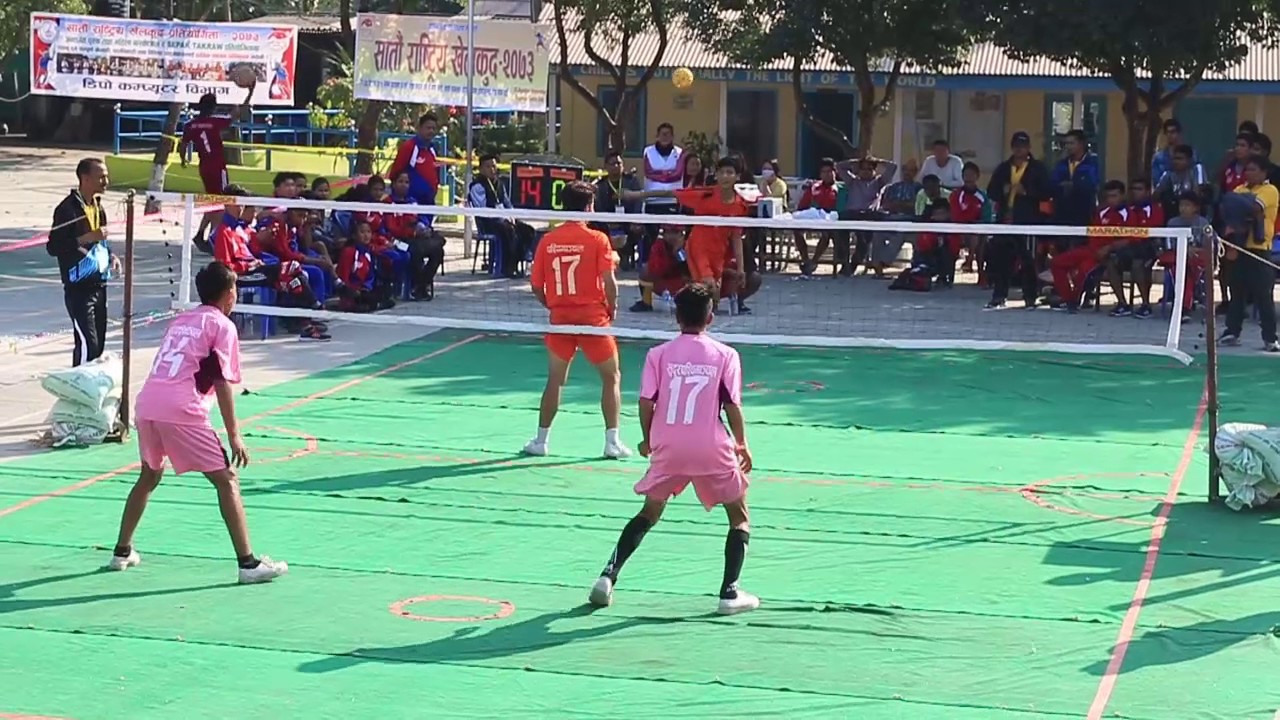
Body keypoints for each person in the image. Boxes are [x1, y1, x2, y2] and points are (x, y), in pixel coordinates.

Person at [108, 261, 288, 584]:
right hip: (181, 408)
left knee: (149, 475)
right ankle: (248, 564)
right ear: (228, 294)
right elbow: (222, 383)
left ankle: (121, 552)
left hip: (147, 402)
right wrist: (235, 435)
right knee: (227, 480)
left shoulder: (181, 320)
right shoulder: (222, 326)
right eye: (234, 290)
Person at [587, 283, 757, 615]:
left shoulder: (658, 355)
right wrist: (742, 443)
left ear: (676, 317)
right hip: (711, 445)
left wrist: (648, 438)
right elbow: (732, 406)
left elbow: (646, 402)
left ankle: (608, 575)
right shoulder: (726, 355)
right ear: (711, 317)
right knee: (739, 517)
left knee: (649, 512)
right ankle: (729, 593)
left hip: (669, 443)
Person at [524, 180, 630, 459]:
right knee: (611, 378)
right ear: (590, 206)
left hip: (561, 319)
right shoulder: (597, 239)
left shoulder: (548, 240)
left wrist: (553, 305)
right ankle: (612, 442)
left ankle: (541, 440)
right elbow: (610, 282)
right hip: (593, 319)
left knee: (555, 381)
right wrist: (613, 308)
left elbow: (536, 286)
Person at [47, 158, 121, 366]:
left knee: (98, 347)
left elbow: (101, 241)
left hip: (100, 285)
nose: (106, 181)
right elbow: (53, 247)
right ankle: (80, 386)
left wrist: (111, 256)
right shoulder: (67, 209)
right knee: (88, 344)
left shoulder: (98, 206)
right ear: (85, 179)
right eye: (101, 177)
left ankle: (90, 389)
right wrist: (86, 238)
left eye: (106, 176)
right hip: (78, 288)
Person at [180, 85, 255, 251]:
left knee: (212, 200)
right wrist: (248, 93)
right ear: (213, 107)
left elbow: (183, 144)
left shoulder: (191, 125)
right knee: (223, 201)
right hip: (217, 166)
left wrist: (183, 160)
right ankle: (216, 237)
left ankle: (201, 234)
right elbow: (237, 114)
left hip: (204, 166)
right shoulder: (215, 122)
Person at [985, 131, 1052, 309]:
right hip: (1005, 219)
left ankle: (1030, 296)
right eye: (1016, 146)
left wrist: (1028, 192)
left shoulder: (1037, 168)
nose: (1019, 150)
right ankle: (999, 295)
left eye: (1023, 146)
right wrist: (1002, 191)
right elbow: (991, 191)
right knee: (1002, 259)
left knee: (1028, 259)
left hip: (1028, 220)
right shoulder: (1003, 168)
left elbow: (1047, 192)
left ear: (1029, 148)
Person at [1220, 156, 1279, 351]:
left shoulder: (1270, 190)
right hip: (1239, 246)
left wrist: (1237, 203)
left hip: (1259, 250)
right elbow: (1229, 208)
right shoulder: (1240, 189)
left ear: (1263, 172)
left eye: (1254, 169)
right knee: (1236, 292)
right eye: (1247, 170)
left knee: (1263, 296)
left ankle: (1270, 338)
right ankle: (1232, 331)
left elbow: (1255, 208)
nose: (1249, 173)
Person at [1049, 180, 1132, 313]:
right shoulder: (1102, 212)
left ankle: (1073, 301)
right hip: (1089, 249)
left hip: (1106, 254)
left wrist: (1109, 248)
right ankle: (1067, 298)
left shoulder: (1129, 214)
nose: (1111, 200)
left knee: (1083, 271)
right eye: (1108, 196)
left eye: (1114, 196)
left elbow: (1130, 239)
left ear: (1123, 196)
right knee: (1056, 262)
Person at [1103, 178, 1164, 318]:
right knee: (1111, 262)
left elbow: (1150, 232)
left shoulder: (1156, 209)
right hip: (1129, 248)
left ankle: (1145, 304)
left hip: (1149, 247)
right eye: (1133, 189)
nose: (1135, 193)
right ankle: (1122, 303)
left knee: (1138, 264)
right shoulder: (1127, 210)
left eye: (1139, 189)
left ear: (1148, 191)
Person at [469, 153, 535, 278]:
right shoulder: (477, 186)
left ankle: (518, 261)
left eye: (494, 166)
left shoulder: (499, 184)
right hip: (488, 222)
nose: (492, 169)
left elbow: (507, 203)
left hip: (504, 219)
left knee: (527, 230)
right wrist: (500, 217)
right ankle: (506, 268)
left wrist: (512, 216)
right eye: (488, 167)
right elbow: (482, 209)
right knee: (508, 230)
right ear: (481, 169)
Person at [1161, 191, 1210, 324]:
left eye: (1187, 205)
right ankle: (1186, 305)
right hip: (1177, 257)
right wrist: (1184, 249)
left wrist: (1194, 250)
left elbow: (1210, 244)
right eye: (1181, 205)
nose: (1183, 208)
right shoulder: (1172, 222)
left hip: (1196, 258)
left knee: (1190, 269)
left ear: (1196, 208)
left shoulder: (1203, 223)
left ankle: (1185, 306)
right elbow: (1169, 245)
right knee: (1182, 271)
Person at [640, 123, 686, 264]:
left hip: (672, 201)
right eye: (662, 133)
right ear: (657, 136)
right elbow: (649, 172)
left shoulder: (680, 153)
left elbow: (677, 174)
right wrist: (667, 174)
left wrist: (661, 174)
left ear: (672, 136)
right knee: (652, 236)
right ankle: (650, 263)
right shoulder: (648, 151)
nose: (665, 136)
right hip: (652, 200)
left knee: (672, 236)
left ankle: (671, 263)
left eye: (668, 134)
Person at [386, 112, 440, 209]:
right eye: (428, 128)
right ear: (419, 128)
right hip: (410, 204)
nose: (431, 131)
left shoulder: (433, 150)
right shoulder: (409, 147)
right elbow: (396, 172)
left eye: (433, 128)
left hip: (428, 202)